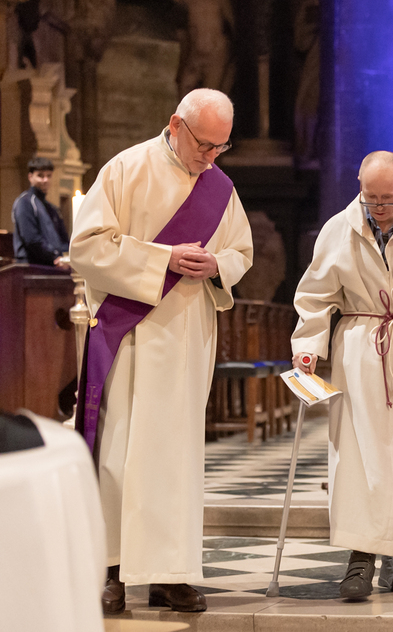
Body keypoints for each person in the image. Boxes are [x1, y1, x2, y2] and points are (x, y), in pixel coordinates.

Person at [69, 88, 253, 614]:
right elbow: (86, 247)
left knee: (175, 457)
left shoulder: (220, 188)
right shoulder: (125, 170)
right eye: (204, 144)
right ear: (175, 124)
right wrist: (162, 259)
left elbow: (241, 251)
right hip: (130, 336)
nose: (210, 157)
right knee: (121, 455)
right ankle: (111, 571)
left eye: (221, 147)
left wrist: (217, 266)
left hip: (187, 338)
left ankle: (170, 574)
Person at [291, 151, 393, 600]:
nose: (379, 207)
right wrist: (307, 349)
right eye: (371, 198)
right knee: (361, 456)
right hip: (361, 351)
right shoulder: (338, 229)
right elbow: (315, 296)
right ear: (359, 188)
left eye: (388, 198)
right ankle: (360, 556)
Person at [11, 156, 70, 268]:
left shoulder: (53, 209)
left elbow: (63, 240)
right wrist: (54, 257)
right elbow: (31, 240)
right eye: (40, 176)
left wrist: (65, 257)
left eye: (49, 176)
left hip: (51, 267)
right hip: (31, 267)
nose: (45, 180)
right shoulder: (25, 202)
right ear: (30, 177)